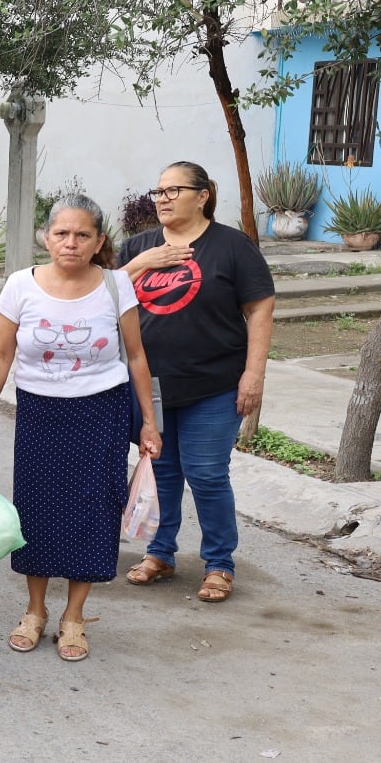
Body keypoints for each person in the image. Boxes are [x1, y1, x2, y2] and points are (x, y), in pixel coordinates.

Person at [0, 195, 161, 662]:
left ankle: (75, 616)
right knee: (36, 511)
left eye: (83, 235)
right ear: (46, 237)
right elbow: (0, 356)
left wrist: (149, 423)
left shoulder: (116, 285)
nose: (71, 243)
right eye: (61, 233)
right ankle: (35, 610)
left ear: (99, 241)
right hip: (39, 414)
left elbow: (136, 356)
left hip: (101, 414)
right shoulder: (21, 285)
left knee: (94, 512)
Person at [118, 161, 275, 603]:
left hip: (214, 383)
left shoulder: (231, 246)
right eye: (159, 191)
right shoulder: (138, 247)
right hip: (152, 386)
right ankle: (160, 553)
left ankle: (219, 563)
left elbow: (260, 308)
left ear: (202, 196)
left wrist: (254, 374)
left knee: (206, 474)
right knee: (162, 470)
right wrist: (141, 264)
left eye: (174, 190)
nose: (162, 199)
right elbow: (101, 294)